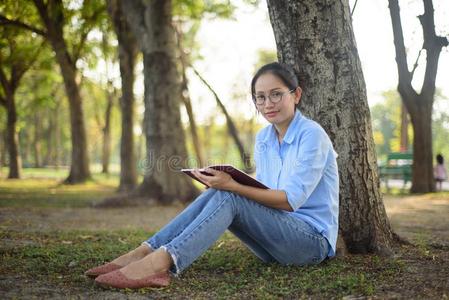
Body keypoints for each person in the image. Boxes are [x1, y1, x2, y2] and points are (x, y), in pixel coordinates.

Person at [85, 62, 340, 289]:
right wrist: (226, 179)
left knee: (230, 194)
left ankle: (160, 263)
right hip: (274, 240)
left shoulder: (312, 135)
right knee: (222, 191)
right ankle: (144, 251)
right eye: (260, 98)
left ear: (296, 95)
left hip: (310, 244)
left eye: (276, 95)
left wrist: (234, 187)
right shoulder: (264, 137)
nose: (268, 104)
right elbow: (264, 187)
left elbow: (288, 200)